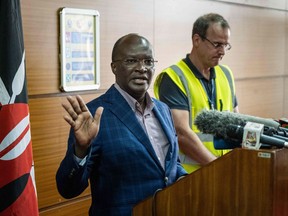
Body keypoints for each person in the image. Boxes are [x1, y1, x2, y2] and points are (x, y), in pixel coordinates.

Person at [56, 33, 187, 216]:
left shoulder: (163, 109)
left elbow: (171, 165)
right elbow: (68, 189)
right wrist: (80, 150)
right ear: (114, 67)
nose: (142, 68)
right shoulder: (94, 116)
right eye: (131, 61)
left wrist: (187, 180)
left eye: (148, 61)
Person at [154, 13, 239, 173]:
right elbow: (182, 133)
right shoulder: (174, 77)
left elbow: (237, 124)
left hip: (225, 172)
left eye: (225, 45)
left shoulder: (226, 74)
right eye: (217, 44)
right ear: (197, 40)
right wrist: (219, 166)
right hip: (191, 178)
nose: (222, 51)